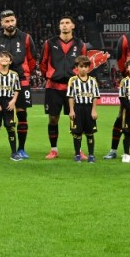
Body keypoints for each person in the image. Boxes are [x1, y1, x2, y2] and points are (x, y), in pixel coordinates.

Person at [0, 9, 37, 159]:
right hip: (1, 84)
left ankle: (21, 149)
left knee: (22, 115)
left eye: (12, 20)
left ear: (16, 20)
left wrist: (24, 74)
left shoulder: (26, 38)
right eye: (6, 21)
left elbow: (32, 59)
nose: (10, 24)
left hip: (21, 81)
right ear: (1, 23)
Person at [40, 16, 87, 159]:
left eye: (67, 23)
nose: (64, 25)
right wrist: (50, 75)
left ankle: (78, 151)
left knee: (76, 119)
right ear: (59, 27)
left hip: (73, 87)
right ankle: (53, 149)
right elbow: (43, 63)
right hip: (53, 87)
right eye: (62, 23)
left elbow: (84, 64)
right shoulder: (50, 43)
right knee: (53, 118)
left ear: (73, 26)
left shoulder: (80, 44)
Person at [104, 10, 130, 159]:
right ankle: (113, 150)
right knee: (122, 117)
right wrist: (128, 76)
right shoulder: (126, 38)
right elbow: (120, 60)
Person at [67, 55, 100, 163]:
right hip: (78, 108)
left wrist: (94, 110)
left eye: (86, 67)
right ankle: (77, 155)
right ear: (77, 67)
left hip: (89, 108)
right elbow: (71, 97)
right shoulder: (73, 80)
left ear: (89, 68)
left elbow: (95, 96)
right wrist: (71, 110)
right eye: (81, 66)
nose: (83, 69)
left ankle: (91, 155)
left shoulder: (93, 81)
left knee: (90, 132)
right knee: (77, 132)